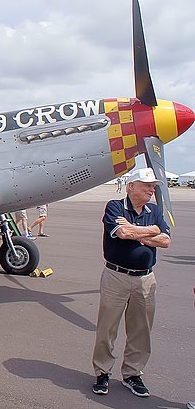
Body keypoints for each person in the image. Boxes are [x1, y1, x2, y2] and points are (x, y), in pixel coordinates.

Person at [91, 168, 171, 397]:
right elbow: (122, 233)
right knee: (107, 327)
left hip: (146, 279)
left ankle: (132, 374)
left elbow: (165, 240)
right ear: (131, 186)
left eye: (152, 185)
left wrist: (139, 231)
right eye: (146, 185)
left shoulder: (155, 210)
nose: (151, 189)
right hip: (116, 276)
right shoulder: (115, 206)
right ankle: (102, 372)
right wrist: (149, 233)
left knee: (141, 330)